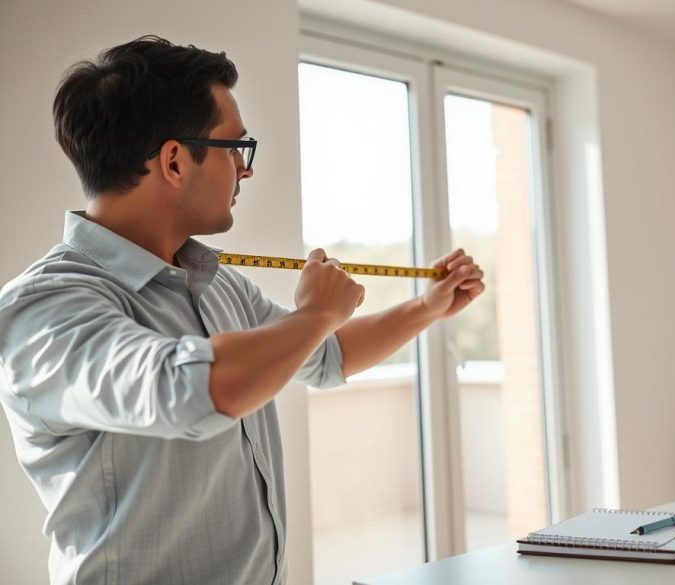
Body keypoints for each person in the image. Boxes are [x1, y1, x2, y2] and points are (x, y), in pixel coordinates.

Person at [0, 36, 484, 585]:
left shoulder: (216, 283)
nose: (244, 170)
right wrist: (313, 316)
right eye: (235, 147)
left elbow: (323, 358)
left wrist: (425, 308)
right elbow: (193, 391)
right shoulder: (43, 308)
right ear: (175, 161)